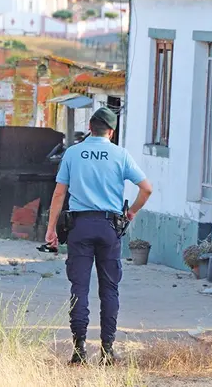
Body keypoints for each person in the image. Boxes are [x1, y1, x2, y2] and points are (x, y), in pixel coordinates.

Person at [45, 107, 153, 366]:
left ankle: (79, 349)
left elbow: (59, 194)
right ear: (112, 132)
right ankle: (107, 350)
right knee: (109, 289)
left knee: (79, 288)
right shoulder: (120, 154)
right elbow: (146, 188)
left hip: (79, 227)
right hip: (109, 228)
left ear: (90, 128)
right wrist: (132, 212)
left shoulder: (73, 153)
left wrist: (51, 229)